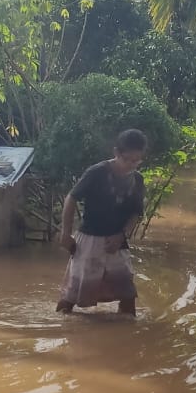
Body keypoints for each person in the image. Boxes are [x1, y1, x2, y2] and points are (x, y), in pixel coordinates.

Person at [57, 129, 147, 316]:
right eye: (128, 160)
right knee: (73, 294)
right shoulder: (97, 172)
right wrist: (66, 233)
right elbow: (71, 199)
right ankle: (61, 327)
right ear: (116, 153)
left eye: (137, 160)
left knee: (127, 293)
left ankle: (128, 334)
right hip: (89, 239)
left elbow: (136, 213)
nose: (132, 165)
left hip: (117, 242)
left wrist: (122, 235)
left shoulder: (137, 180)